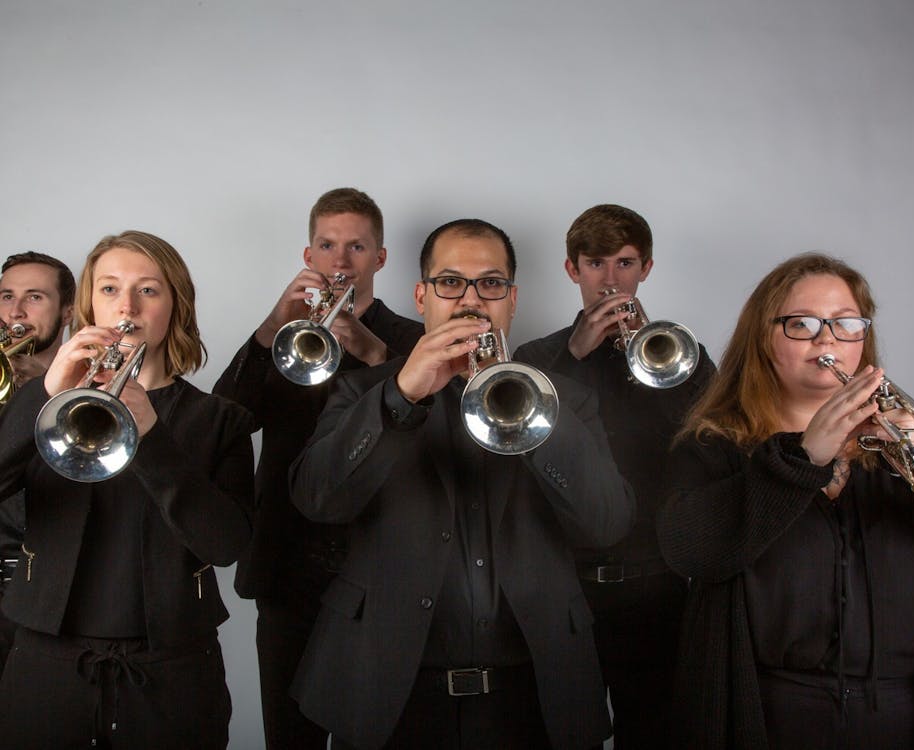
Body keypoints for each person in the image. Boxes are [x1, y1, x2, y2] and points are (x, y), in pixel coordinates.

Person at [289, 218, 635, 749]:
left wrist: (533, 414)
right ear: (422, 296)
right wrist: (400, 397)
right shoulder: (363, 391)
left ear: (512, 300)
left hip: (535, 695)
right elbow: (317, 499)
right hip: (389, 693)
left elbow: (607, 522)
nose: (471, 300)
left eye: (491, 284)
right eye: (451, 282)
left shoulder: (567, 399)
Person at [657, 252, 914, 749]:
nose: (827, 341)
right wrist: (804, 457)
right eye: (802, 324)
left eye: (846, 324)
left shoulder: (903, 449)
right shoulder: (715, 447)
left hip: (906, 717)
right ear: (763, 338)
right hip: (769, 715)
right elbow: (692, 553)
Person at [0, 231, 254, 749]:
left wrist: (153, 436)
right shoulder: (40, 402)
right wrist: (48, 393)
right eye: (110, 289)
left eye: (149, 290)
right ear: (89, 303)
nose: (128, 307)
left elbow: (227, 545)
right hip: (44, 661)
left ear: (174, 306)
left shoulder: (218, 419)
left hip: (173, 670)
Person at [213, 187, 423, 749]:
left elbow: (430, 428)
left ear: (380, 259)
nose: (340, 261)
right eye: (327, 245)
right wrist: (270, 326)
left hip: (375, 568)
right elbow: (227, 419)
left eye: (357, 247)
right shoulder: (282, 338)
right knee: (289, 736)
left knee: (371, 735)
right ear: (308, 257)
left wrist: (372, 351)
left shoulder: (411, 341)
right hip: (286, 565)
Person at [515, 204, 715, 746]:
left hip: (656, 588)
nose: (610, 281)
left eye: (624, 264)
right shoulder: (535, 358)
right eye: (596, 263)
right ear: (571, 269)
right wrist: (574, 358)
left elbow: (713, 453)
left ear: (646, 269)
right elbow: (520, 460)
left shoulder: (680, 356)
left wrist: (658, 365)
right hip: (564, 589)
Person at [0, 251, 76, 672]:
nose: (15, 311)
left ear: (67, 311)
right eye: (6, 295)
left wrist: (39, 395)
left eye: (34, 297)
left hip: (52, 592)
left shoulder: (92, 389)